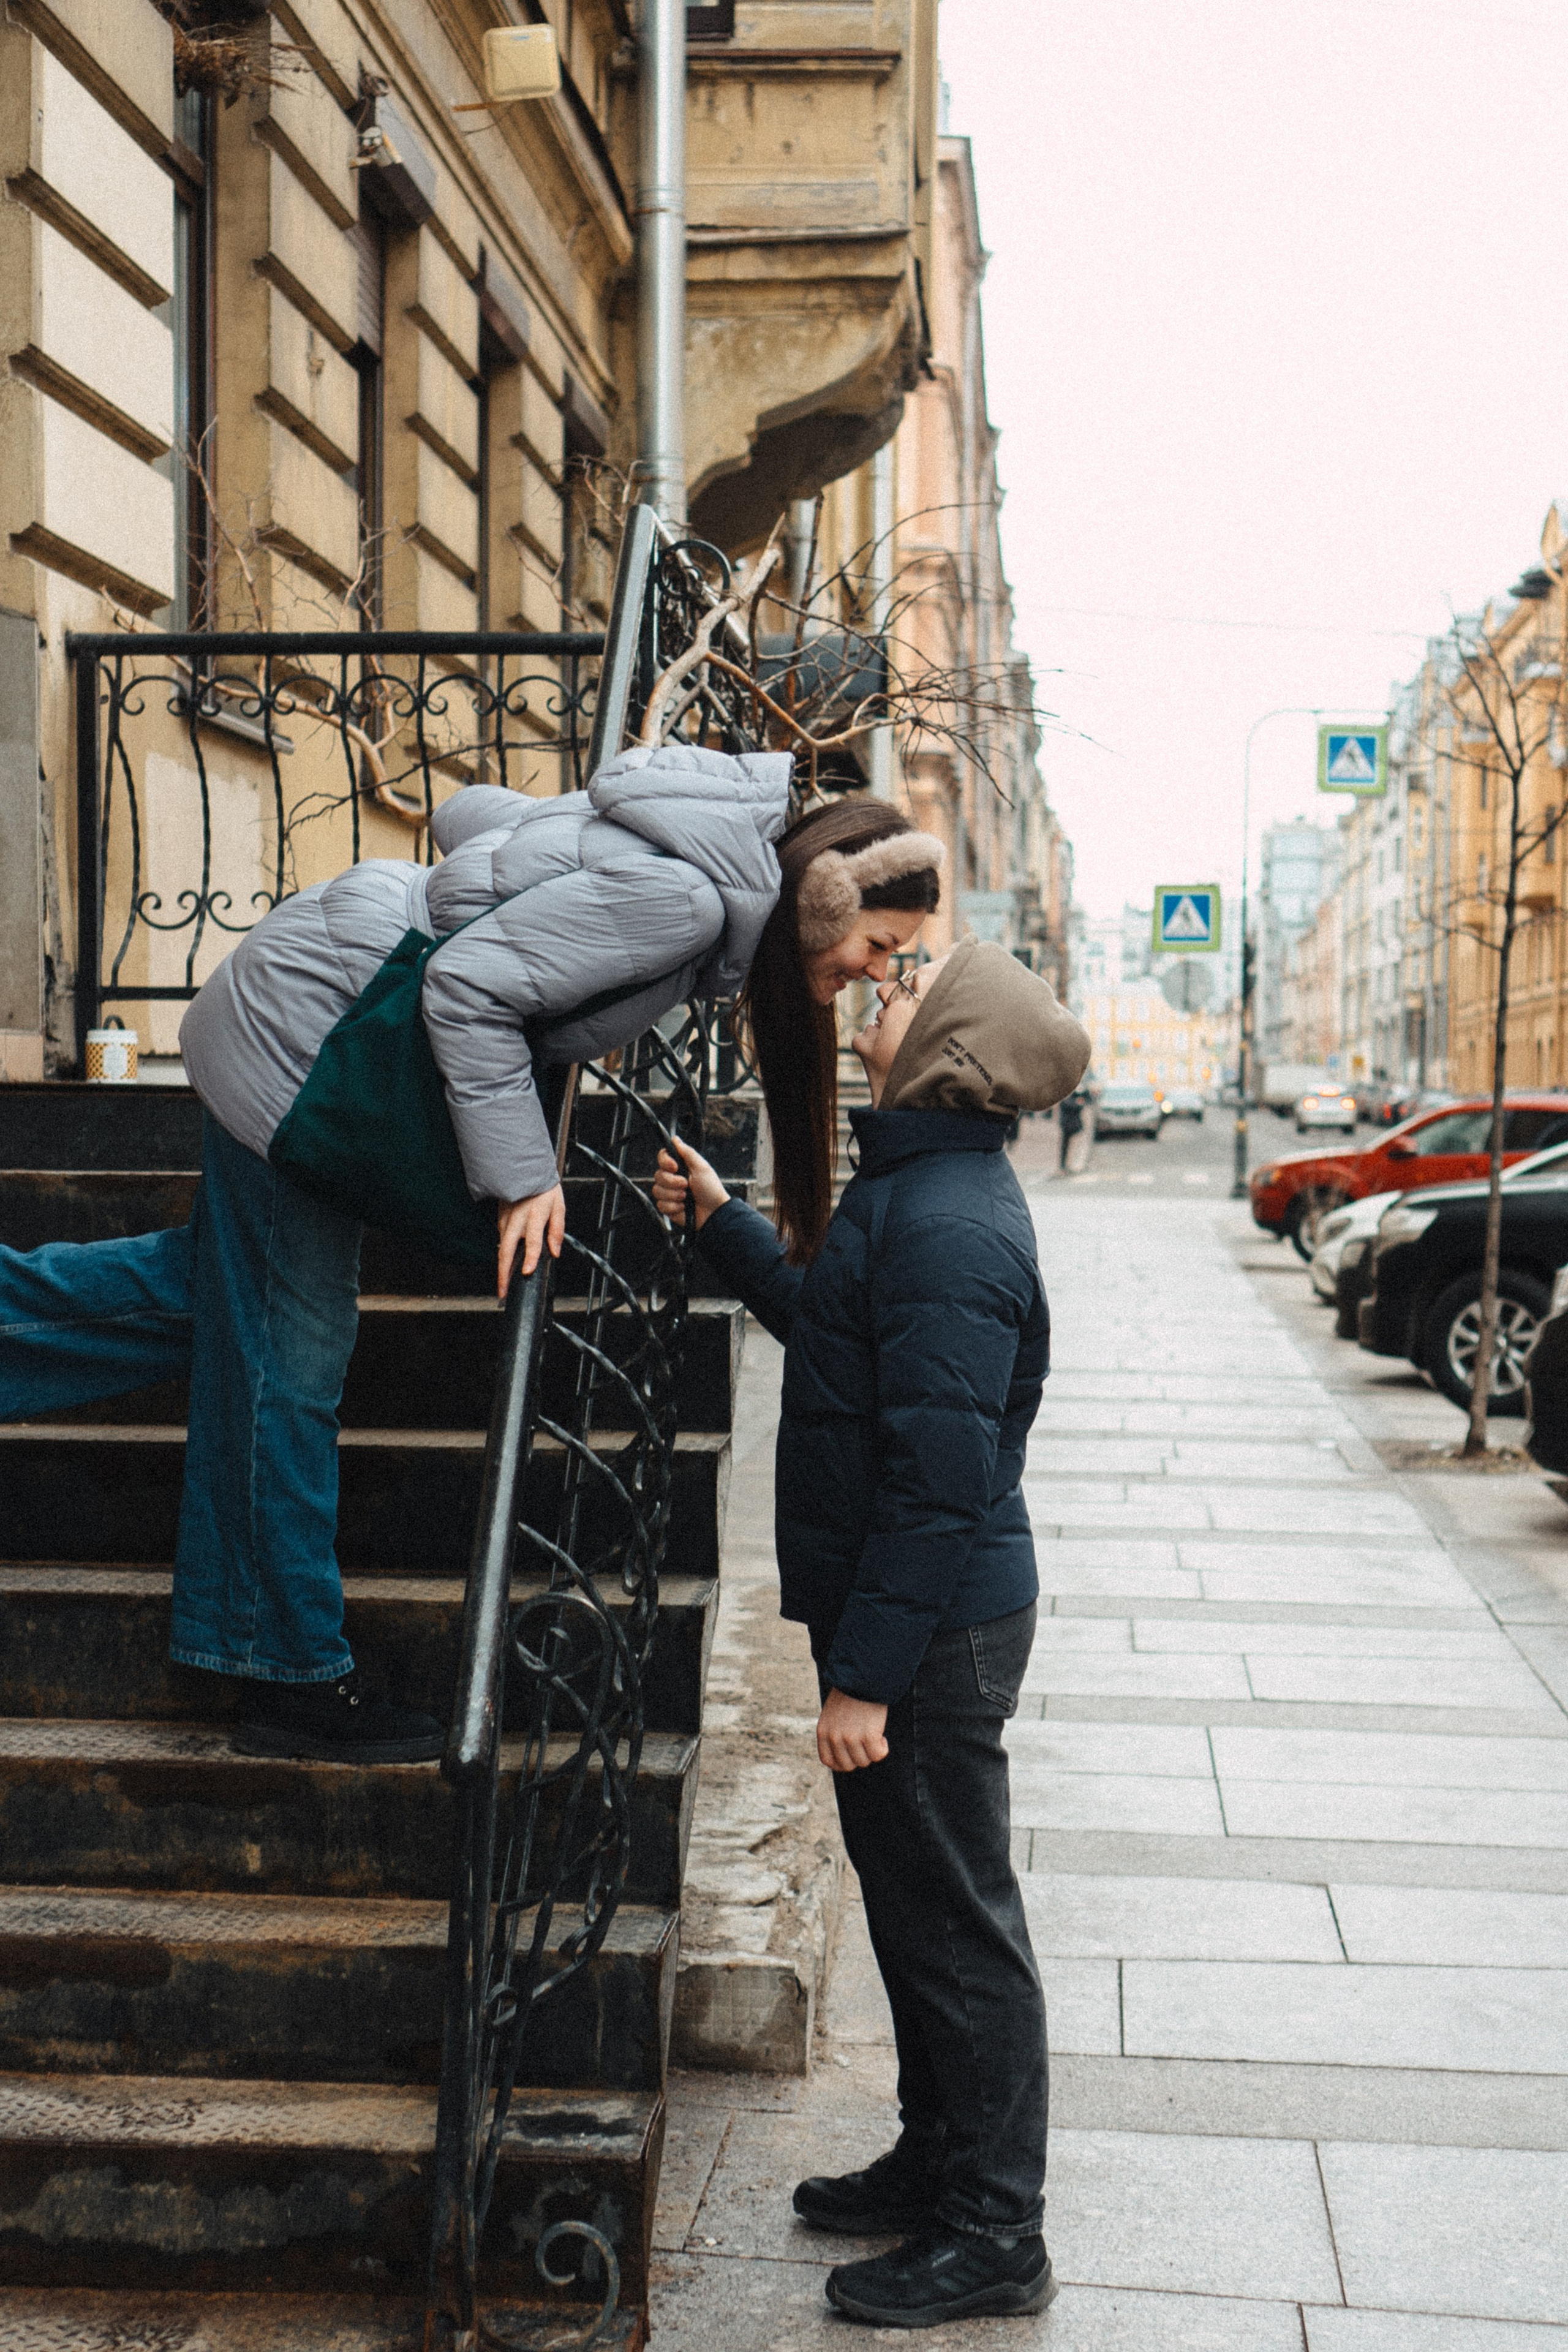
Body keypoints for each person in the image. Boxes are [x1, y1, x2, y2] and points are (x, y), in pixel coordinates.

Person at [0, 748, 942, 1763]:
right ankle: (284, 1671)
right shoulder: (689, 901)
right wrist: (526, 1177)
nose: (875, 970)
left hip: (310, 1001)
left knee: (225, 1306)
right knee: (291, 1359)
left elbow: (469, 816)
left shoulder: (684, 850)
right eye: (879, 944)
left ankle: (261, 1641)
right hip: (309, 1040)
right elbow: (464, 985)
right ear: (823, 896)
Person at [654, 935, 1091, 2331]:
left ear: (950, 1044)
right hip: (912, 1619)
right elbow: (840, 1337)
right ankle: (937, 2155)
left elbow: (938, 1483)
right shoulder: (912, 1183)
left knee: (959, 1927)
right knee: (912, 1913)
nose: (873, 995)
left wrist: (865, 1681)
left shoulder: (952, 1223)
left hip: (935, 1631)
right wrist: (728, 1222)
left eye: (903, 989)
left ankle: (997, 2230)